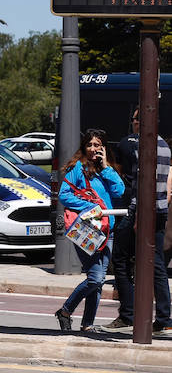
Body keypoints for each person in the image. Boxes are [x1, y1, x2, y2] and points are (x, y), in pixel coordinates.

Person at [101, 107, 172, 335]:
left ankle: (127, 314)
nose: (133, 124)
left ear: (140, 122)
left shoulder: (145, 146)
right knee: (157, 264)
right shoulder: (164, 145)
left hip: (141, 211)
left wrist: (137, 216)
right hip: (160, 210)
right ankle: (163, 318)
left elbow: (143, 184)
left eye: (134, 120)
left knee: (120, 259)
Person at [55, 129, 125, 332]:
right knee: (95, 278)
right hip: (86, 230)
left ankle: (87, 324)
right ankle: (66, 310)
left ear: (103, 148)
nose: (93, 149)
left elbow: (119, 191)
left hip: (107, 230)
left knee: (98, 281)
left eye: (97, 145)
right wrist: (89, 208)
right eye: (90, 145)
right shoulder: (77, 168)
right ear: (84, 147)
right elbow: (64, 196)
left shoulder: (106, 169)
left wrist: (105, 167)